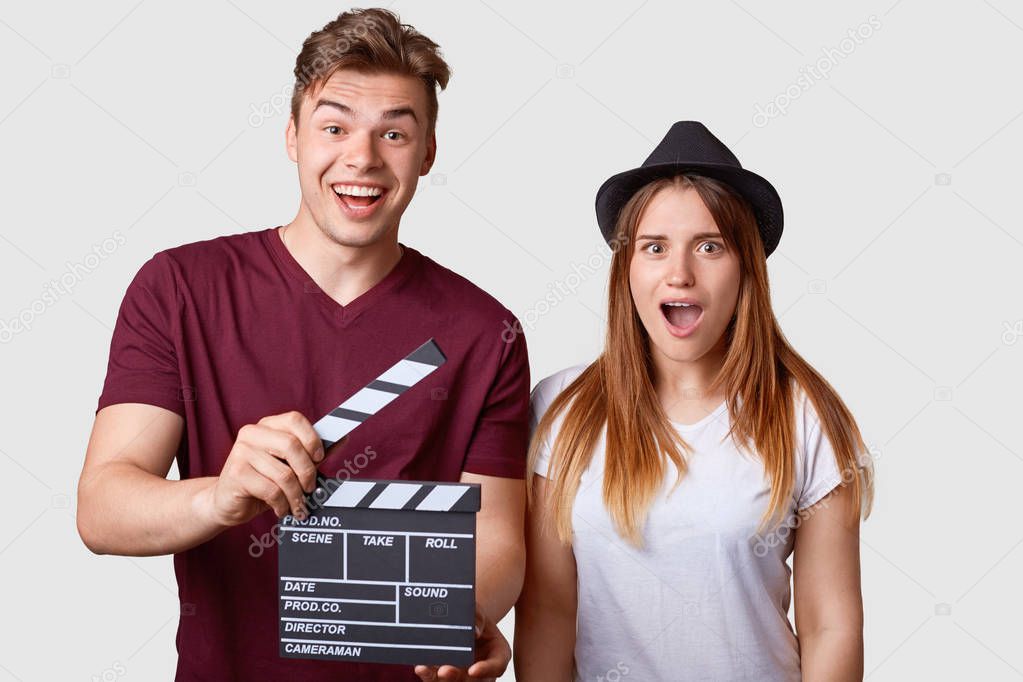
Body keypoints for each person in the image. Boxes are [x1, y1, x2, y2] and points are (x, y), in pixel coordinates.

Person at [77, 9, 527, 681]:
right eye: (335, 127)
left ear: (428, 151)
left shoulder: (485, 330)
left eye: (394, 133)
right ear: (292, 136)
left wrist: (462, 614)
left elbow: (497, 536)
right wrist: (218, 498)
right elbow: (102, 507)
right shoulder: (179, 288)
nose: (362, 158)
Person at [514, 121, 875, 681]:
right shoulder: (560, 409)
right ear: (626, 269)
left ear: (746, 267)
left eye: (710, 247)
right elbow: (547, 612)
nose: (680, 274)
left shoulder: (807, 418)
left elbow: (831, 625)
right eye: (655, 248)